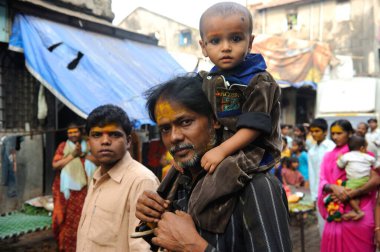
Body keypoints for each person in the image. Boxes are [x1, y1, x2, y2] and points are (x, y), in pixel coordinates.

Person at [136, 75, 291, 251]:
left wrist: (194, 247)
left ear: (215, 120)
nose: (174, 137)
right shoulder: (178, 184)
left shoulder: (256, 187)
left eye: (186, 122)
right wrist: (151, 220)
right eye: (165, 129)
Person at [192, 1, 282, 229]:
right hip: (219, 146)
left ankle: (205, 228)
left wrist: (221, 151)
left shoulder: (259, 80)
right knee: (179, 170)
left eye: (235, 39)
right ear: (203, 46)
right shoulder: (208, 80)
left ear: (250, 42)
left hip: (252, 149)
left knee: (219, 180)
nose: (225, 47)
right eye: (215, 41)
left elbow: (253, 128)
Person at [76, 105, 160, 251]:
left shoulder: (141, 181)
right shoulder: (96, 176)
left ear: (128, 141)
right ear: (88, 142)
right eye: (97, 135)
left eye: (114, 134)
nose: (105, 141)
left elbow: (142, 247)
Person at [318, 119, 380, 252]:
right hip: (336, 211)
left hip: (361, 210)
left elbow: (375, 180)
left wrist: (352, 193)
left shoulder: (364, 154)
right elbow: (322, 182)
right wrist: (333, 187)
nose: (335, 137)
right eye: (333, 134)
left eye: (339, 133)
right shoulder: (328, 156)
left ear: (350, 133)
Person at [52, 123, 97, 252]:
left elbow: (98, 161)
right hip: (67, 193)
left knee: (85, 220)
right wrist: (73, 155)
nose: (73, 135)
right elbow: (55, 165)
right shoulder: (63, 147)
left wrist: (82, 154)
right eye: (70, 133)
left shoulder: (88, 145)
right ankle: (66, 247)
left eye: (75, 132)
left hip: (86, 191)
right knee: (66, 221)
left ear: (80, 132)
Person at [336, 136, 376, 220]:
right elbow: (374, 163)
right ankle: (355, 210)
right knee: (356, 196)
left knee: (348, 194)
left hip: (353, 181)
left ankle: (358, 211)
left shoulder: (347, 156)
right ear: (362, 148)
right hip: (366, 180)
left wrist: (340, 158)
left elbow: (340, 165)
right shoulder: (367, 156)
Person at [307, 118, 335, 235]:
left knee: (334, 225)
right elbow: (312, 175)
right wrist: (314, 196)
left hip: (333, 191)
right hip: (319, 193)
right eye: (312, 131)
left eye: (317, 131)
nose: (314, 134)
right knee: (322, 227)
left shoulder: (331, 148)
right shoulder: (311, 151)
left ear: (325, 132)